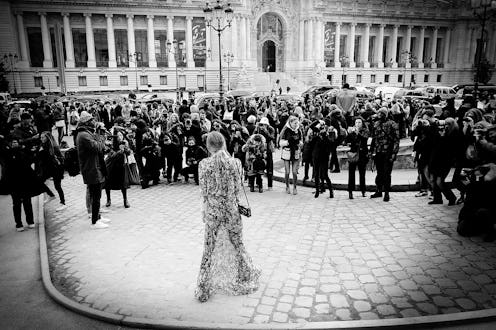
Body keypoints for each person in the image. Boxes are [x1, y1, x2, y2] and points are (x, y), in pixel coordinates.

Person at [195, 131, 260, 302]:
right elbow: (238, 187)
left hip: (213, 210)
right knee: (237, 242)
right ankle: (245, 274)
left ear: (208, 146)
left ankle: (203, 287)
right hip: (231, 209)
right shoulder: (235, 163)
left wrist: (206, 208)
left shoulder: (204, 164)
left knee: (209, 247)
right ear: (223, 143)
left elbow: (204, 191)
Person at [75, 111, 110, 229]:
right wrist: (101, 137)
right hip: (91, 169)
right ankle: (95, 222)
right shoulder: (84, 135)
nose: (94, 123)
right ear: (86, 122)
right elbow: (97, 148)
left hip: (94, 167)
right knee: (96, 196)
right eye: (91, 121)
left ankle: (97, 216)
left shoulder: (86, 133)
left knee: (97, 195)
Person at [4, 138, 45, 232]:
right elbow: (6, 169)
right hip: (14, 183)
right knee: (16, 204)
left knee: (27, 202)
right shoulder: (8, 154)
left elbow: (30, 161)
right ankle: (18, 224)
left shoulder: (23, 152)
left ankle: (30, 221)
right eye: (12, 142)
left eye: (16, 142)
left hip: (25, 182)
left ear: (18, 143)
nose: (14, 143)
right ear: (10, 144)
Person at [370, 108, 400, 202]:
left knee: (387, 173)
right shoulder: (376, 124)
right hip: (379, 152)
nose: (379, 115)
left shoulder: (392, 124)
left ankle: (386, 193)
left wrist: (394, 153)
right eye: (379, 113)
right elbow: (374, 139)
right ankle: (379, 190)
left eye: (381, 113)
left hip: (388, 152)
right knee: (379, 173)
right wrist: (372, 151)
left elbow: (396, 140)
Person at [37, 132, 66, 211]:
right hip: (48, 169)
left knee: (57, 186)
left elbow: (60, 159)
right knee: (39, 181)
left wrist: (41, 152)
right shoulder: (43, 146)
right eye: (41, 137)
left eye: (43, 137)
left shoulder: (53, 147)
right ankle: (51, 195)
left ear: (47, 138)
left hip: (56, 169)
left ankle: (63, 203)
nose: (41, 139)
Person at [309, 118, 336, 198]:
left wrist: (325, 134)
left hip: (324, 156)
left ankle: (331, 191)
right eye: (322, 126)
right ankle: (317, 190)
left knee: (324, 175)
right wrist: (318, 121)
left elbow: (331, 143)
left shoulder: (329, 134)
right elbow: (310, 126)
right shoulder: (316, 133)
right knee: (316, 174)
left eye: (324, 126)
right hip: (316, 155)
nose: (322, 128)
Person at [104, 131, 131, 208]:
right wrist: (120, 151)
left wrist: (125, 149)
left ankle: (125, 200)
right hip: (112, 166)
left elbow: (129, 152)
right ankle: (108, 199)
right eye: (118, 135)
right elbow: (110, 155)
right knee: (108, 183)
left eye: (121, 135)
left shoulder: (124, 143)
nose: (120, 137)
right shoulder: (110, 143)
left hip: (121, 166)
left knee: (123, 183)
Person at [346, 116, 370, 199]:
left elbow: (364, 139)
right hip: (353, 154)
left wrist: (357, 133)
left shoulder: (365, 131)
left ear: (362, 123)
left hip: (362, 154)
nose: (357, 124)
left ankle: (363, 190)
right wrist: (348, 133)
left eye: (359, 122)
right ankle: (350, 191)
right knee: (351, 173)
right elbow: (346, 141)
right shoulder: (352, 131)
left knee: (362, 174)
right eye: (356, 122)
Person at [279, 115, 303, 194]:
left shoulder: (299, 130)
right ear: (290, 123)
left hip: (295, 152)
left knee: (294, 172)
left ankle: (295, 187)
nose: (296, 124)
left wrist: (299, 143)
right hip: (287, 151)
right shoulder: (286, 131)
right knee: (287, 171)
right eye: (294, 123)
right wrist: (287, 142)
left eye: (297, 123)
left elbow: (301, 141)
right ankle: (287, 186)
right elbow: (280, 142)